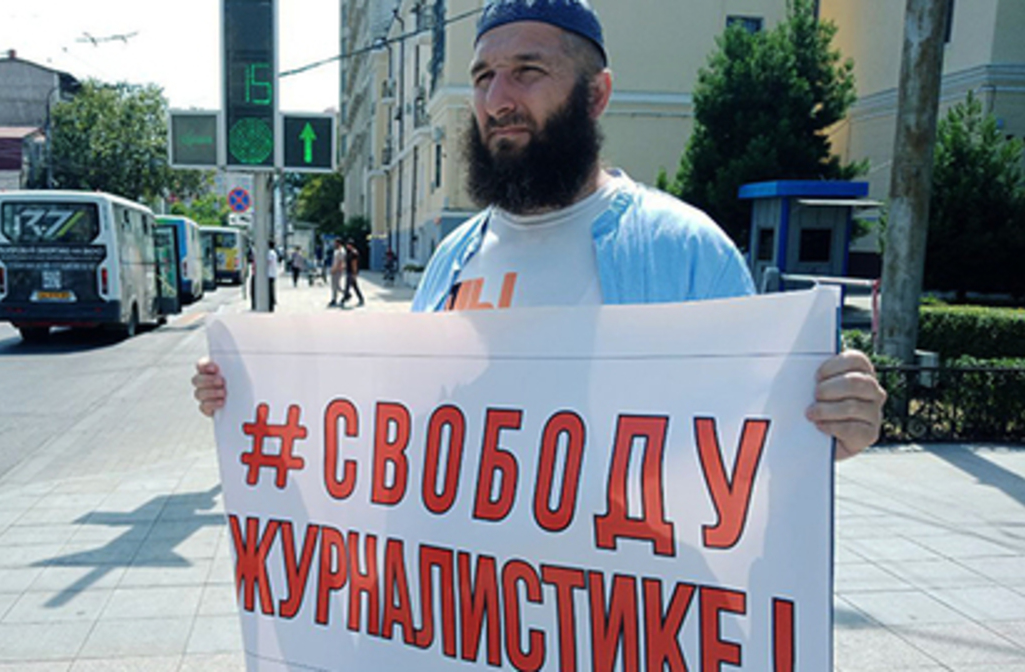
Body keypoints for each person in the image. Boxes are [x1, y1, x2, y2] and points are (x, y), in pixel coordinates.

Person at [196, 0, 885, 460]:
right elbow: (394, 420)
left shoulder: (687, 252)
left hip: (631, 619)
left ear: (596, 94)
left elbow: (756, 439)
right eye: (485, 76)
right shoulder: (451, 263)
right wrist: (252, 394)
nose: (498, 99)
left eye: (529, 72)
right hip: (475, 617)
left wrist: (834, 421)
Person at [339, 241, 365, 308]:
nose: (347, 246)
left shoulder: (354, 253)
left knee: (347, 287)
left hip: (351, 272)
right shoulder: (350, 252)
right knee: (355, 286)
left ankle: (344, 299)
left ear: (351, 245)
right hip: (349, 271)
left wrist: (354, 273)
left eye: (348, 245)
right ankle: (361, 299)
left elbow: (354, 264)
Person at [328, 239, 346, 308]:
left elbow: (340, 262)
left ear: (339, 243)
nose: (334, 244)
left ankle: (346, 294)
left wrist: (335, 269)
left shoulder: (341, 251)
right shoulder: (336, 251)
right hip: (335, 269)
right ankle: (334, 299)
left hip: (338, 270)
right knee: (334, 285)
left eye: (335, 243)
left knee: (337, 285)